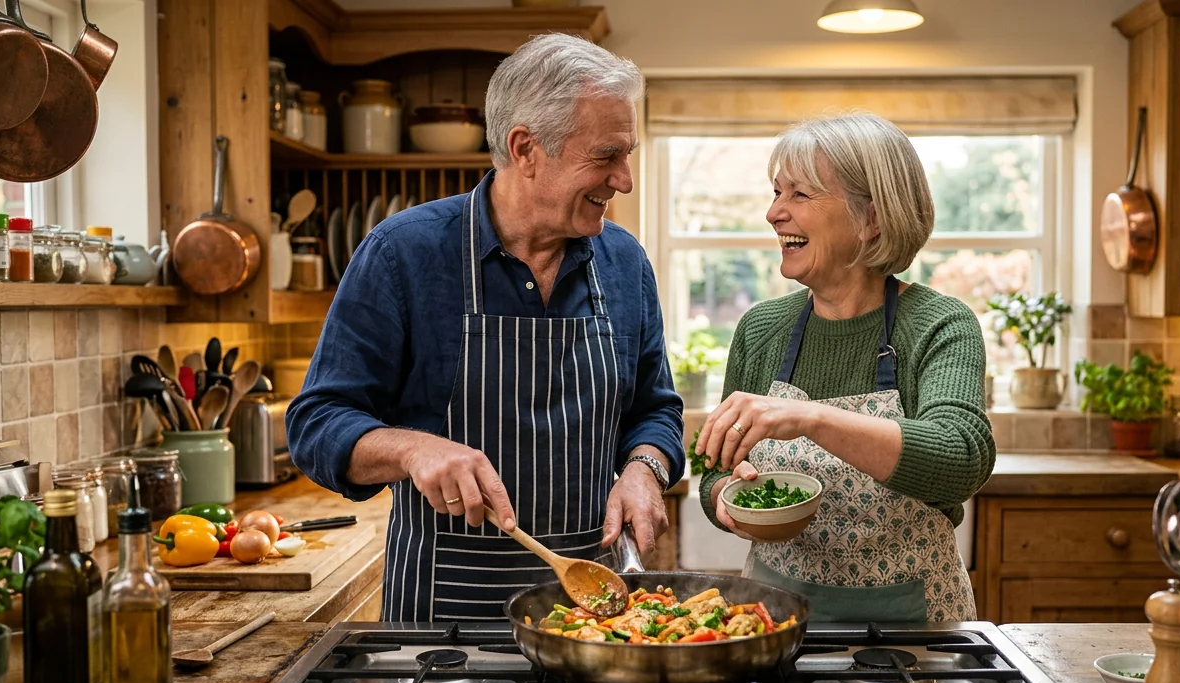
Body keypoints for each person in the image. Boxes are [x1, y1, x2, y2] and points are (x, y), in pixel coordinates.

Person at [286, 34, 684, 622]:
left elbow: (656, 409)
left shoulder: (624, 262)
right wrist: (412, 448)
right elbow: (317, 424)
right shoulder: (403, 254)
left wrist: (645, 469)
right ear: (525, 149)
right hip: (445, 624)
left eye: (627, 154)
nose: (623, 180)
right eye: (606, 156)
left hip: (594, 617)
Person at [694, 112, 994, 623]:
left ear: (870, 219)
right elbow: (714, 470)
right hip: (773, 621)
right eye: (776, 193)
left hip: (914, 629)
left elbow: (961, 460)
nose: (773, 213)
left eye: (799, 195)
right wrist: (728, 497)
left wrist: (810, 417)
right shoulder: (761, 328)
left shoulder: (939, 324)